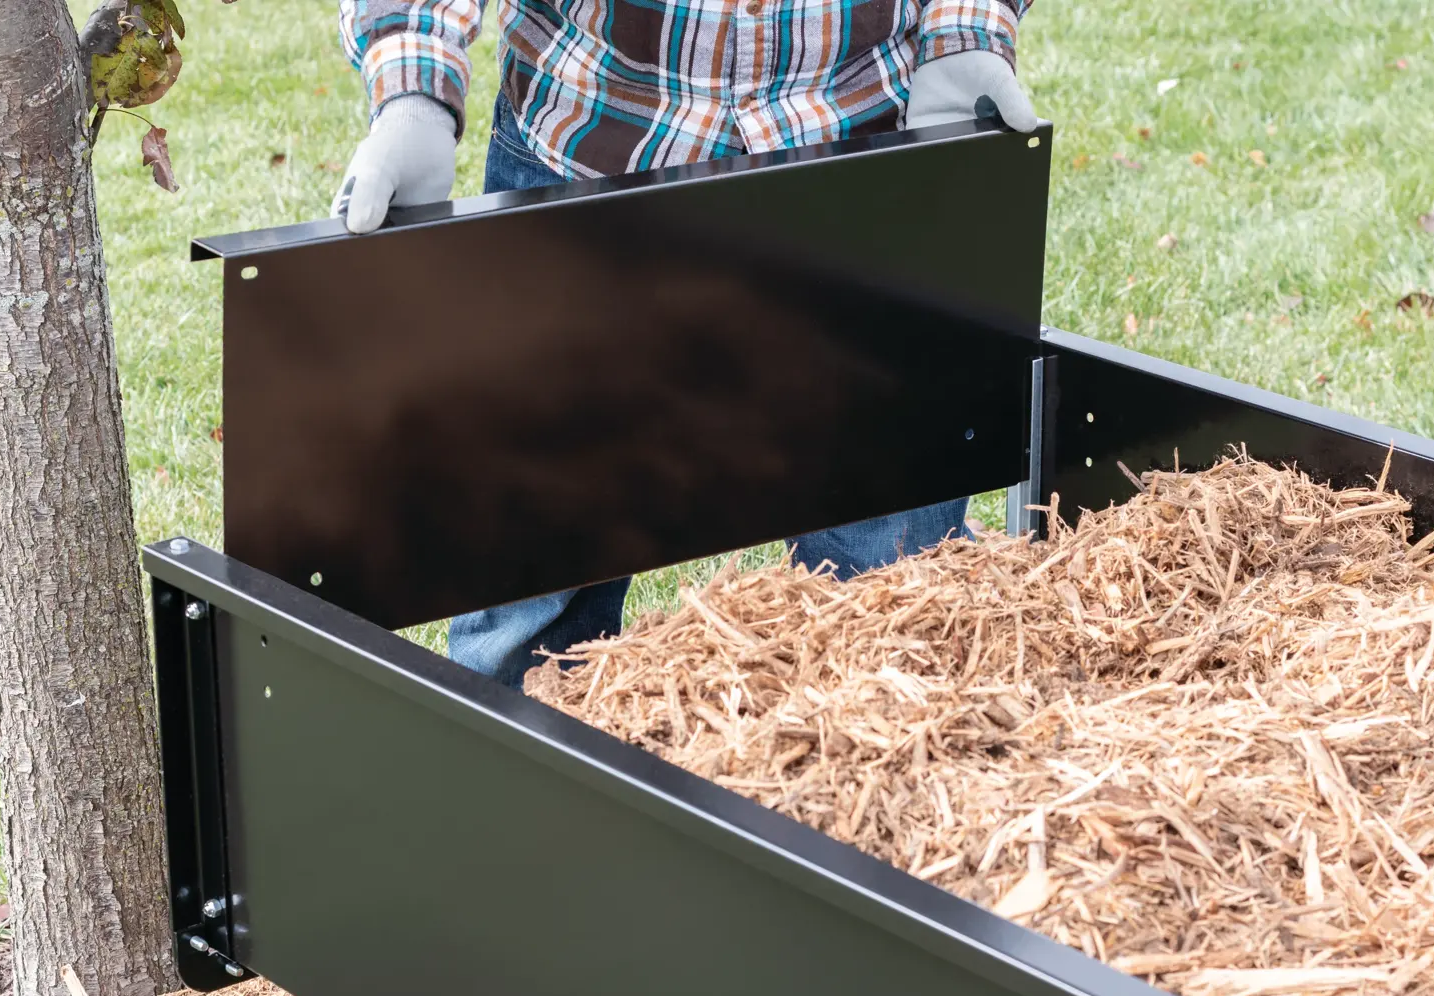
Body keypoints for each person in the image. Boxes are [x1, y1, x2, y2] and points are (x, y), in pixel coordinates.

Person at [334, 0, 1038, 686]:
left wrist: (965, 31)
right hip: (587, 147)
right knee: (531, 633)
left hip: (869, 151)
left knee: (889, 606)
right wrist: (414, 90)